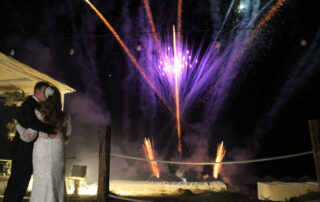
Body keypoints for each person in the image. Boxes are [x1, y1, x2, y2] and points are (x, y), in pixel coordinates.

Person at [15, 86, 72, 202]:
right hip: (58, 148)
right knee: (57, 179)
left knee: (41, 179)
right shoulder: (65, 116)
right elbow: (67, 137)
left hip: (40, 150)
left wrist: (17, 126)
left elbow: (28, 137)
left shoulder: (39, 114)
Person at [4, 82, 55, 202]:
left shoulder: (35, 105)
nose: (46, 95)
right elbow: (31, 123)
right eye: (44, 91)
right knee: (17, 180)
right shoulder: (28, 104)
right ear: (37, 91)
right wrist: (51, 129)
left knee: (23, 180)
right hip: (22, 149)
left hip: (27, 149)